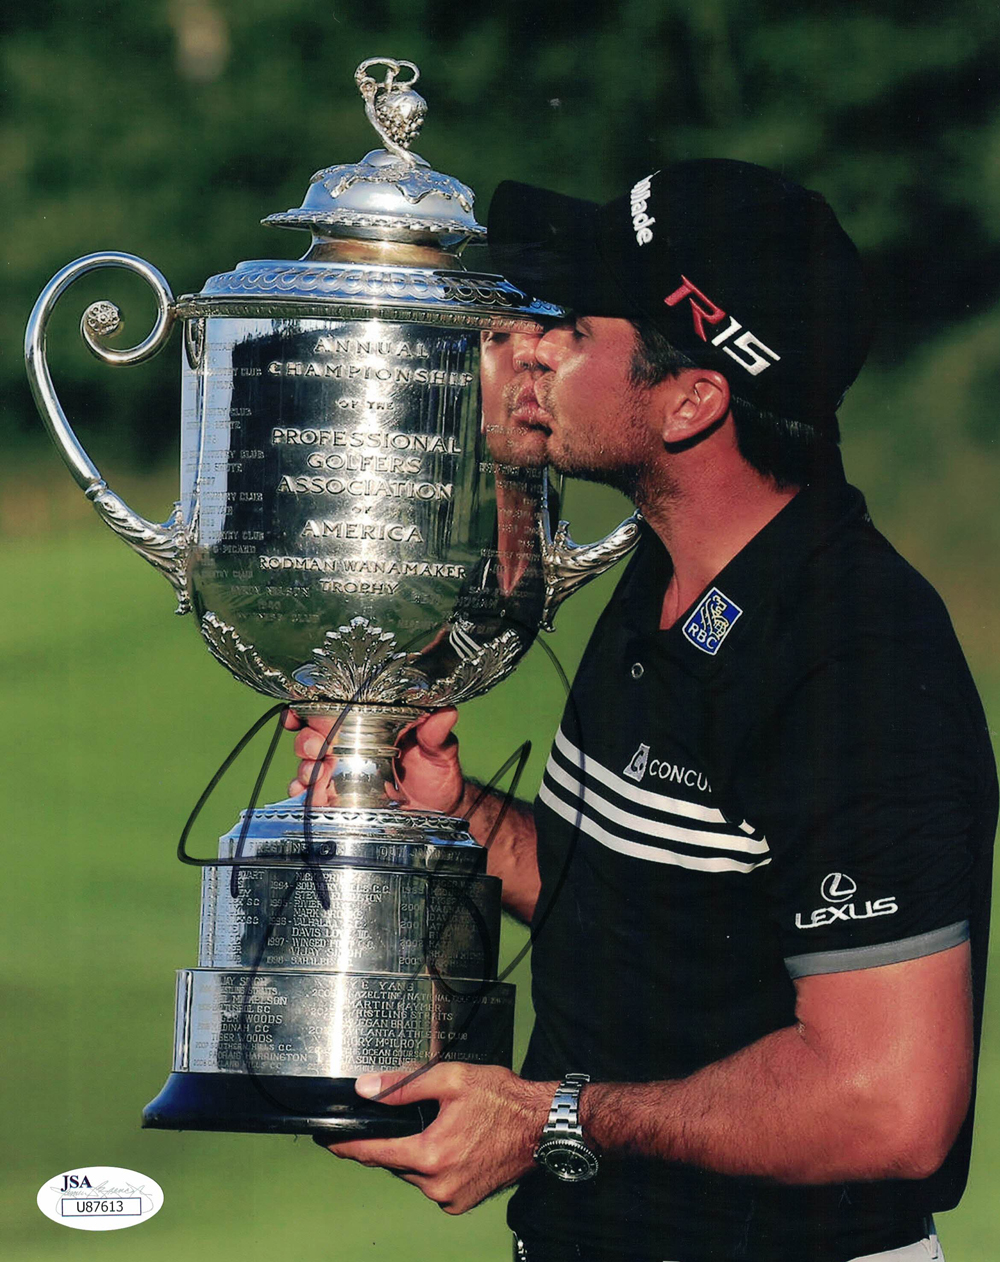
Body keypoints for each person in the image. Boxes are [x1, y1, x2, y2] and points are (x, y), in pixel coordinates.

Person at [285, 161, 997, 1262]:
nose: (528, 346)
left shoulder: (852, 661)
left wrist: (547, 1119)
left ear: (688, 399)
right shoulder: (671, 575)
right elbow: (651, 904)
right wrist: (457, 810)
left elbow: (886, 1103)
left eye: (571, 327)